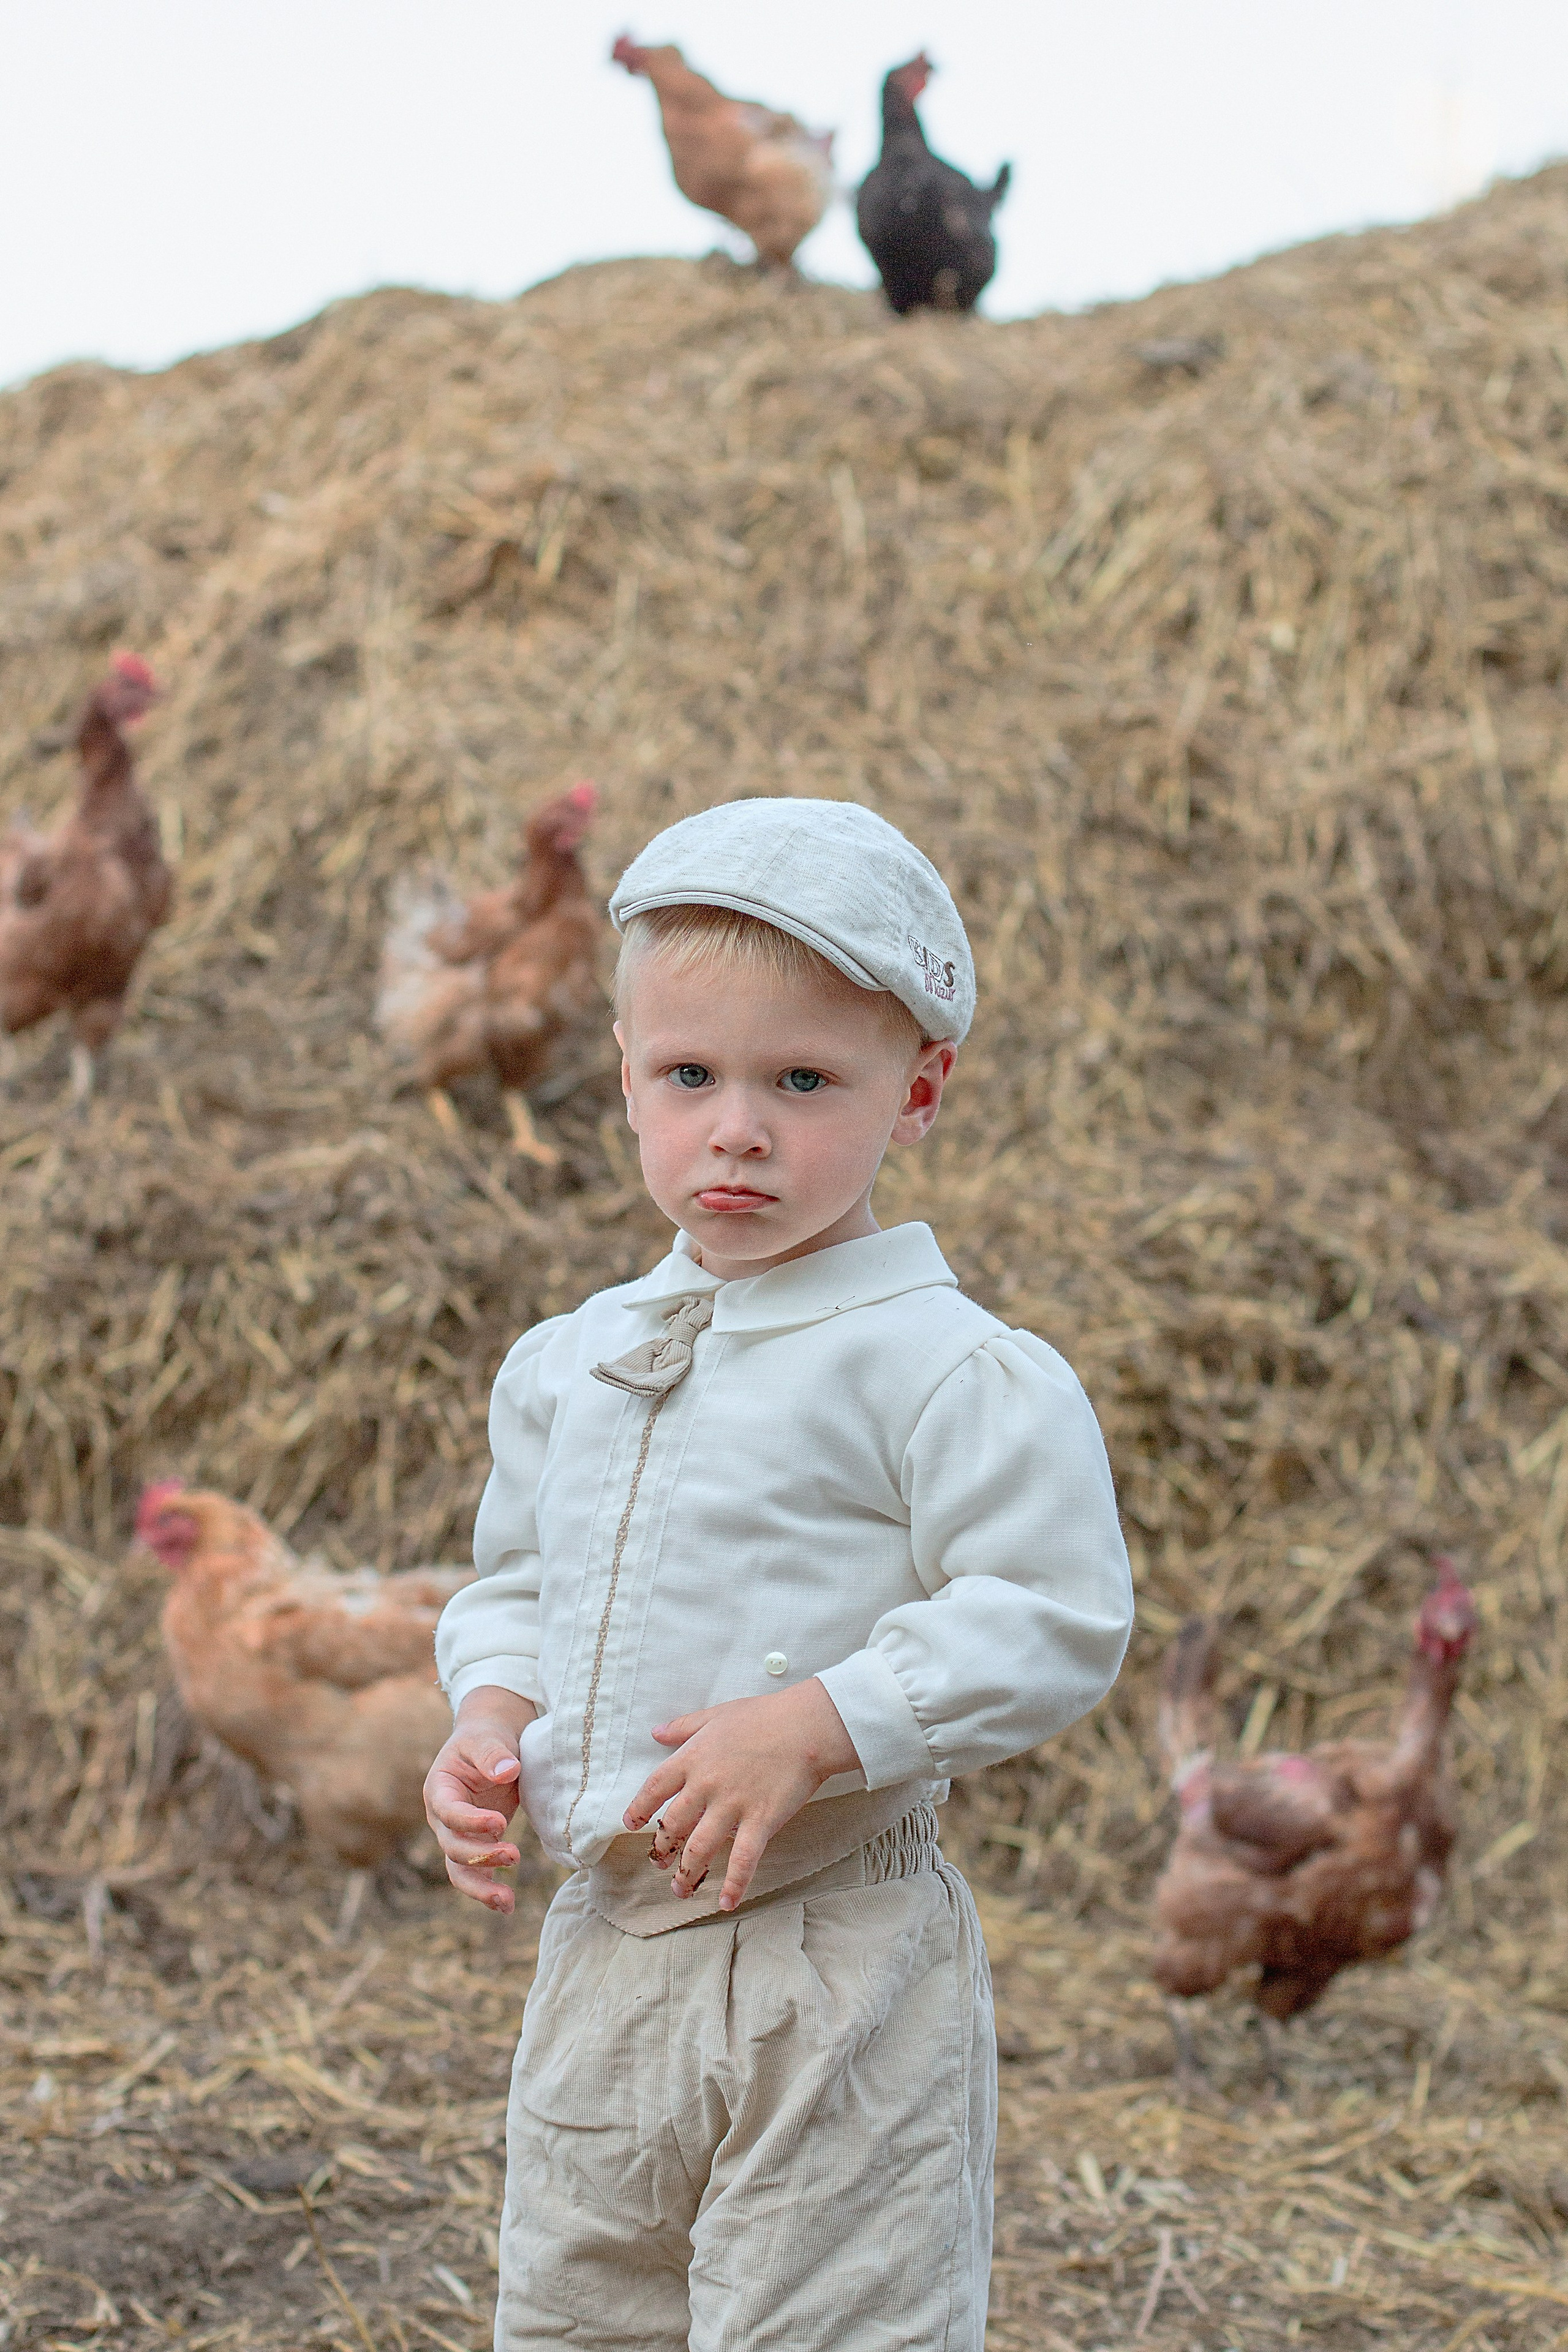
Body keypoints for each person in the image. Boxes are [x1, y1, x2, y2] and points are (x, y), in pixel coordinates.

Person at [423, 796, 1133, 2352]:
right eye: (690, 1077)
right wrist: (491, 1717)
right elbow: (518, 1579)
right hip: (606, 1947)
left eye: (801, 1081)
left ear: (916, 1090)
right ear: (624, 1081)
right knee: (576, 2304)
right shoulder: (576, 1358)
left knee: (834, 2316)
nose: (736, 1127)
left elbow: (1051, 1613)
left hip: (834, 1958)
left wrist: (823, 1718)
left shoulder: (943, 1369)